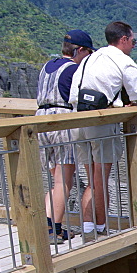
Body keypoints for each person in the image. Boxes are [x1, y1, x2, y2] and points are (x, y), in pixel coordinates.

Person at [69, 20, 137, 240]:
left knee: (92, 179)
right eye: (133, 41)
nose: (134, 45)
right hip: (101, 124)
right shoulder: (123, 61)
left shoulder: (90, 58)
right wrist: (132, 107)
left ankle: (89, 227)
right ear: (123, 40)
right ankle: (99, 229)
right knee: (101, 179)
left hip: (78, 120)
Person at [35, 29, 94, 241]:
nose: (88, 56)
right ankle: (52, 230)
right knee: (64, 182)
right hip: (63, 121)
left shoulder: (47, 66)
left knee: (55, 181)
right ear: (79, 50)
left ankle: (50, 226)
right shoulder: (73, 70)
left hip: (41, 120)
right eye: (87, 51)